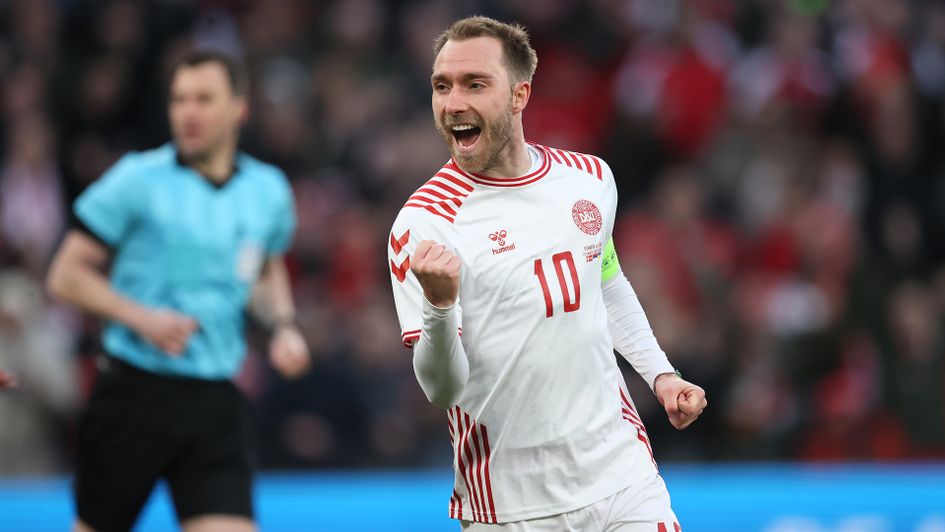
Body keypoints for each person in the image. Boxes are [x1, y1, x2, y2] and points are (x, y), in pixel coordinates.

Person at [387, 16, 707, 531]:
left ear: (520, 95)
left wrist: (660, 374)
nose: (453, 103)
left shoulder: (589, 179)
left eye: (475, 84)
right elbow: (441, 390)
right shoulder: (424, 224)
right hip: (511, 505)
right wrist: (440, 307)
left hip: (622, 477)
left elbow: (605, 284)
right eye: (442, 86)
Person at [46, 50, 310, 532]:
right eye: (179, 99)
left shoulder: (268, 190)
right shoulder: (137, 179)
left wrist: (283, 326)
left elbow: (265, 269)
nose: (188, 111)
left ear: (238, 109)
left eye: (204, 99)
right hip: (133, 392)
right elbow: (65, 274)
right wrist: (141, 318)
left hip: (215, 397)